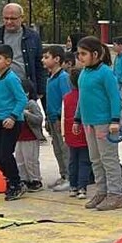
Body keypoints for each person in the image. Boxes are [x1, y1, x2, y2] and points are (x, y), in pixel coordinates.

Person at [74, 36, 122, 211]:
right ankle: (101, 191)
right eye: (78, 54)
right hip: (89, 123)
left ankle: (115, 195)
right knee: (95, 159)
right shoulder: (84, 73)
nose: (80, 57)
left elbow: (114, 97)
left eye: (83, 54)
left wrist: (115, 120)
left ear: (95, 54)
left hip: (104, 123)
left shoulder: (105, 73)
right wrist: (77, 118)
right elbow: (82, 98)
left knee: (108, 159)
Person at [0, 3, 45, 102]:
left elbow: (40, 64)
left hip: (25, 88)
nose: (9, 22)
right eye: (6, 18)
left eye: (13, 18)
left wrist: (41, 88)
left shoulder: (33, 37)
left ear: (21, 18)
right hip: (0, 89)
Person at [0, 44, 27, 201]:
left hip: (11, 121)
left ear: (8, 61)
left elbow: (22, 98)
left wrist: (12, 116)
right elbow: (1, 97)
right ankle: (11, 180)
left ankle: (16, 183)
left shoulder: (11, 78)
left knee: (5, 154)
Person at [42, 46, 71, 191]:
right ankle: (63, 174)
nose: (43, 60)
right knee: (57, 148)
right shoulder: (50, 78)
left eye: (46, 57)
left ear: (57, 59)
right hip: (52, 118)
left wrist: (61, 118)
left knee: (64, 148)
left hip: (60, 119)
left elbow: (66, 99)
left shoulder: (63, 77)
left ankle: (70, 177)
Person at [62, 67, 92, 199]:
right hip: (85, 135)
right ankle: (82, 188)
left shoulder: (66, 97)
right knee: (84, 162)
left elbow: (63, 116)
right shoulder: (87, 96)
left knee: (72, 161)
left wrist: (64, 134)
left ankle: (73, 186)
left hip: (70, 134)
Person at [15, 80, 45, 191]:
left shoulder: (31, 104)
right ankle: (24, 179)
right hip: (18, 137)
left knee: (31, 160)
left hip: (30, 137)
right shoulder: (16, 103)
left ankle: (35, 179)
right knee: (20, 160)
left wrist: (27, 114)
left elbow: (39, 119)